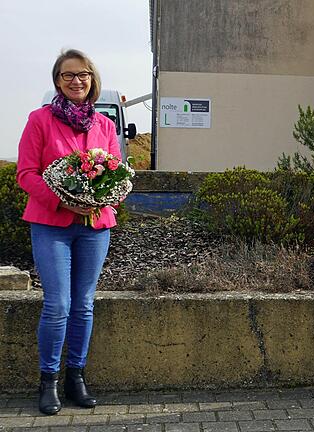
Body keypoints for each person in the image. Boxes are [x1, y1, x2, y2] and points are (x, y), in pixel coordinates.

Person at [17, 49, 121, 414]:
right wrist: (63, 202)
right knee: (58, 305)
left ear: (92, 79)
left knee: (84, 305)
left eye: (83, 74)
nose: (76, 81)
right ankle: (48, 381)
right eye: (67, 75)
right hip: (52, 226)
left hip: (95, 227)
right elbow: (26, 174)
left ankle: (76, 377)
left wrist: (104, 197)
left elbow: (115, 173)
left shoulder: (104, 126)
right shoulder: (40, 120)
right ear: (57, 81)